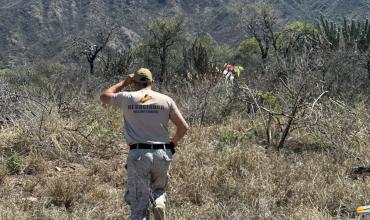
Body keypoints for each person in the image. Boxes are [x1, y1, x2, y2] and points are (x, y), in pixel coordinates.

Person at [100, 68, 189, 220]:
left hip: (138, 154)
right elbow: (183, 127)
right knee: (159, 189)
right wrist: (171, 145)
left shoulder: (127, 97)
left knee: (139, 205)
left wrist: (124, 83)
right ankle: (159, 202)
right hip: (162, 153)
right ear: (152, 82)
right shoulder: (166, 100)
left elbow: (104, 97)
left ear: (134, 82)